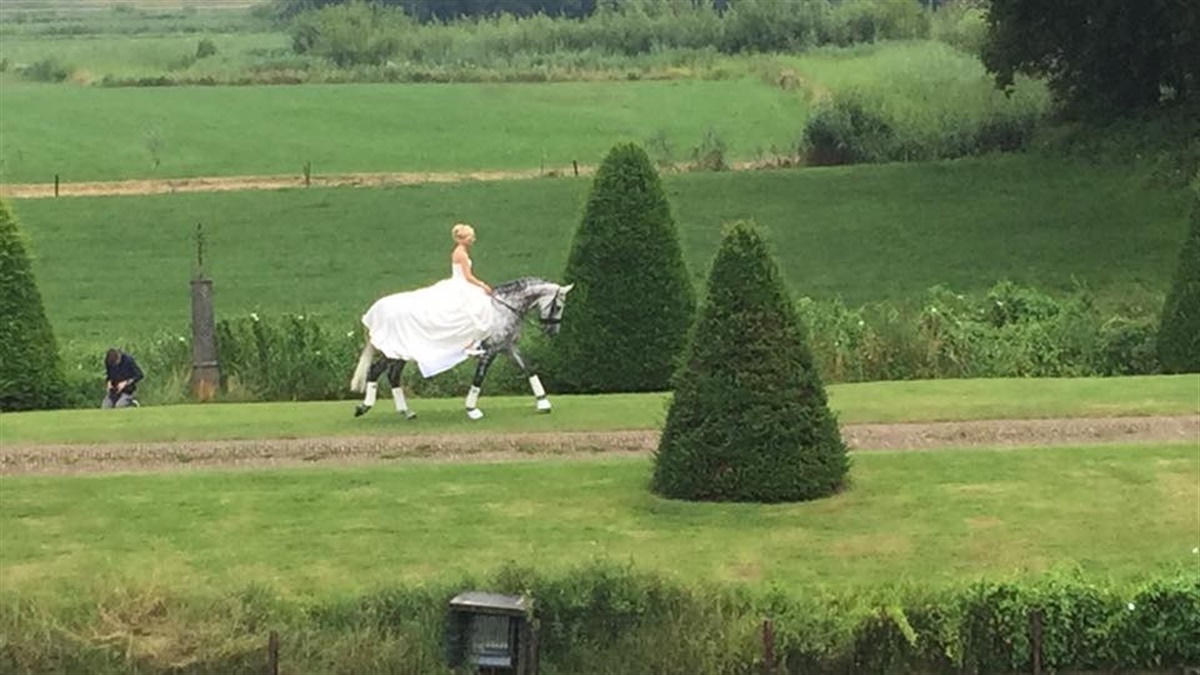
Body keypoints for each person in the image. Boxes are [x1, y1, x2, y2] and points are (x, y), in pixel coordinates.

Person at [361, 223, 498, 378]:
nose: (473, 239)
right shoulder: (461, 253)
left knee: (476, 307)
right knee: (478, 307)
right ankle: (470, 343)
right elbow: (467, 276)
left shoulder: (461, 251)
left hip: (459, 284)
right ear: (462, 239)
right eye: (470, 237)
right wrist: (483, 285)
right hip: (461, 285)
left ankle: (471, 342)